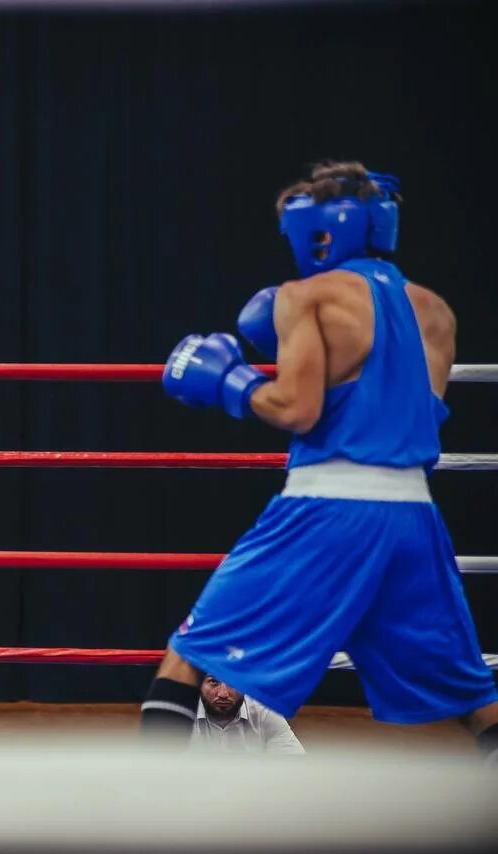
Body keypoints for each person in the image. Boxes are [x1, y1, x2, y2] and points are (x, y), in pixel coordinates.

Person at [141, 161, 498, 764]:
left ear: (321, 230)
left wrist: (228, 382)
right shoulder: (437, 313)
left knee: (192, 652)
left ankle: (145, 808)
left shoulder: (306, 297)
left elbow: (296, 409)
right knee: (471, 693)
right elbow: (420, 415)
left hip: (326, 507)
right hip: (413, 516)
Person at [190, 674, 305, 754]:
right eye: (213, 682)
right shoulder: (183, 712)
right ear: (199, 683)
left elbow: (296, 768)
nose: (223, 694)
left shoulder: (265, 711)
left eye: (233, 682)